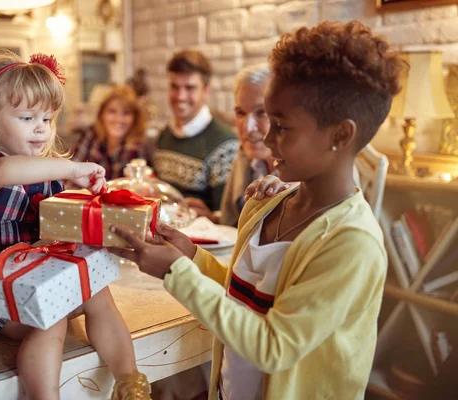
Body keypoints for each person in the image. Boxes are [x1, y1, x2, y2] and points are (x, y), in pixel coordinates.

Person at [110, 20, 407, 400]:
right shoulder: (267, 205)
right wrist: (191, 256)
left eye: (280, 126)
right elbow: (245, 298)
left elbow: (273, 347)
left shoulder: (352, 243)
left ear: (340, 135)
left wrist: (175, 272)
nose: (265, 138)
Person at [0, 50, 150, 400]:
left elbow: (57, 228)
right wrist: (72, 169)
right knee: (53, 315)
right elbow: (5, 173)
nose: (41, 128)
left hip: (34, 275)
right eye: (28, 117)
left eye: (47, 118)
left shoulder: (46, 174)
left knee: (98, 291)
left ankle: (130, 382)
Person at [187, 64, 283, 227]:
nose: (247, 127)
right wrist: (213, 218)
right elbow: (235, 223)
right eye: (240, 113)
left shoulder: (297, 172)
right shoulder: (244, 156)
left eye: (261, 112)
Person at [152, 50, 238, 212]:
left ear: (206, 91)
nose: (180, 96)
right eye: (174, 87)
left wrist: (211, 216)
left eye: (190, 88)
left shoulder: (226, 145)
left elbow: (229, 217)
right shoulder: (164, 135)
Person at [71, 85, 147, 181]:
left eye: (126, 113)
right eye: (112, 111)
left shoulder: (138, 147)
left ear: (134, 118)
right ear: (102, 114)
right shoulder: (90, 135)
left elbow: (137, 186)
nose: (118, 119)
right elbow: (72, 172)